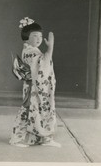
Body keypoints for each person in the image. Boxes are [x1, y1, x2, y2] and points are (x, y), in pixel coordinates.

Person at [10, 17, 61, 148]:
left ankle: (44, 138)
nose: (39, 39)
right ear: (26, 37)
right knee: (29, 111)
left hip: (35, 87)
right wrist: (50, 48)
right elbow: (42, 63)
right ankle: (17, 139)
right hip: (33, 87)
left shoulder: (31, 50)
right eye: (35, 36)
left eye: (40, 36)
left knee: (39, 110)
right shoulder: (30, 51)